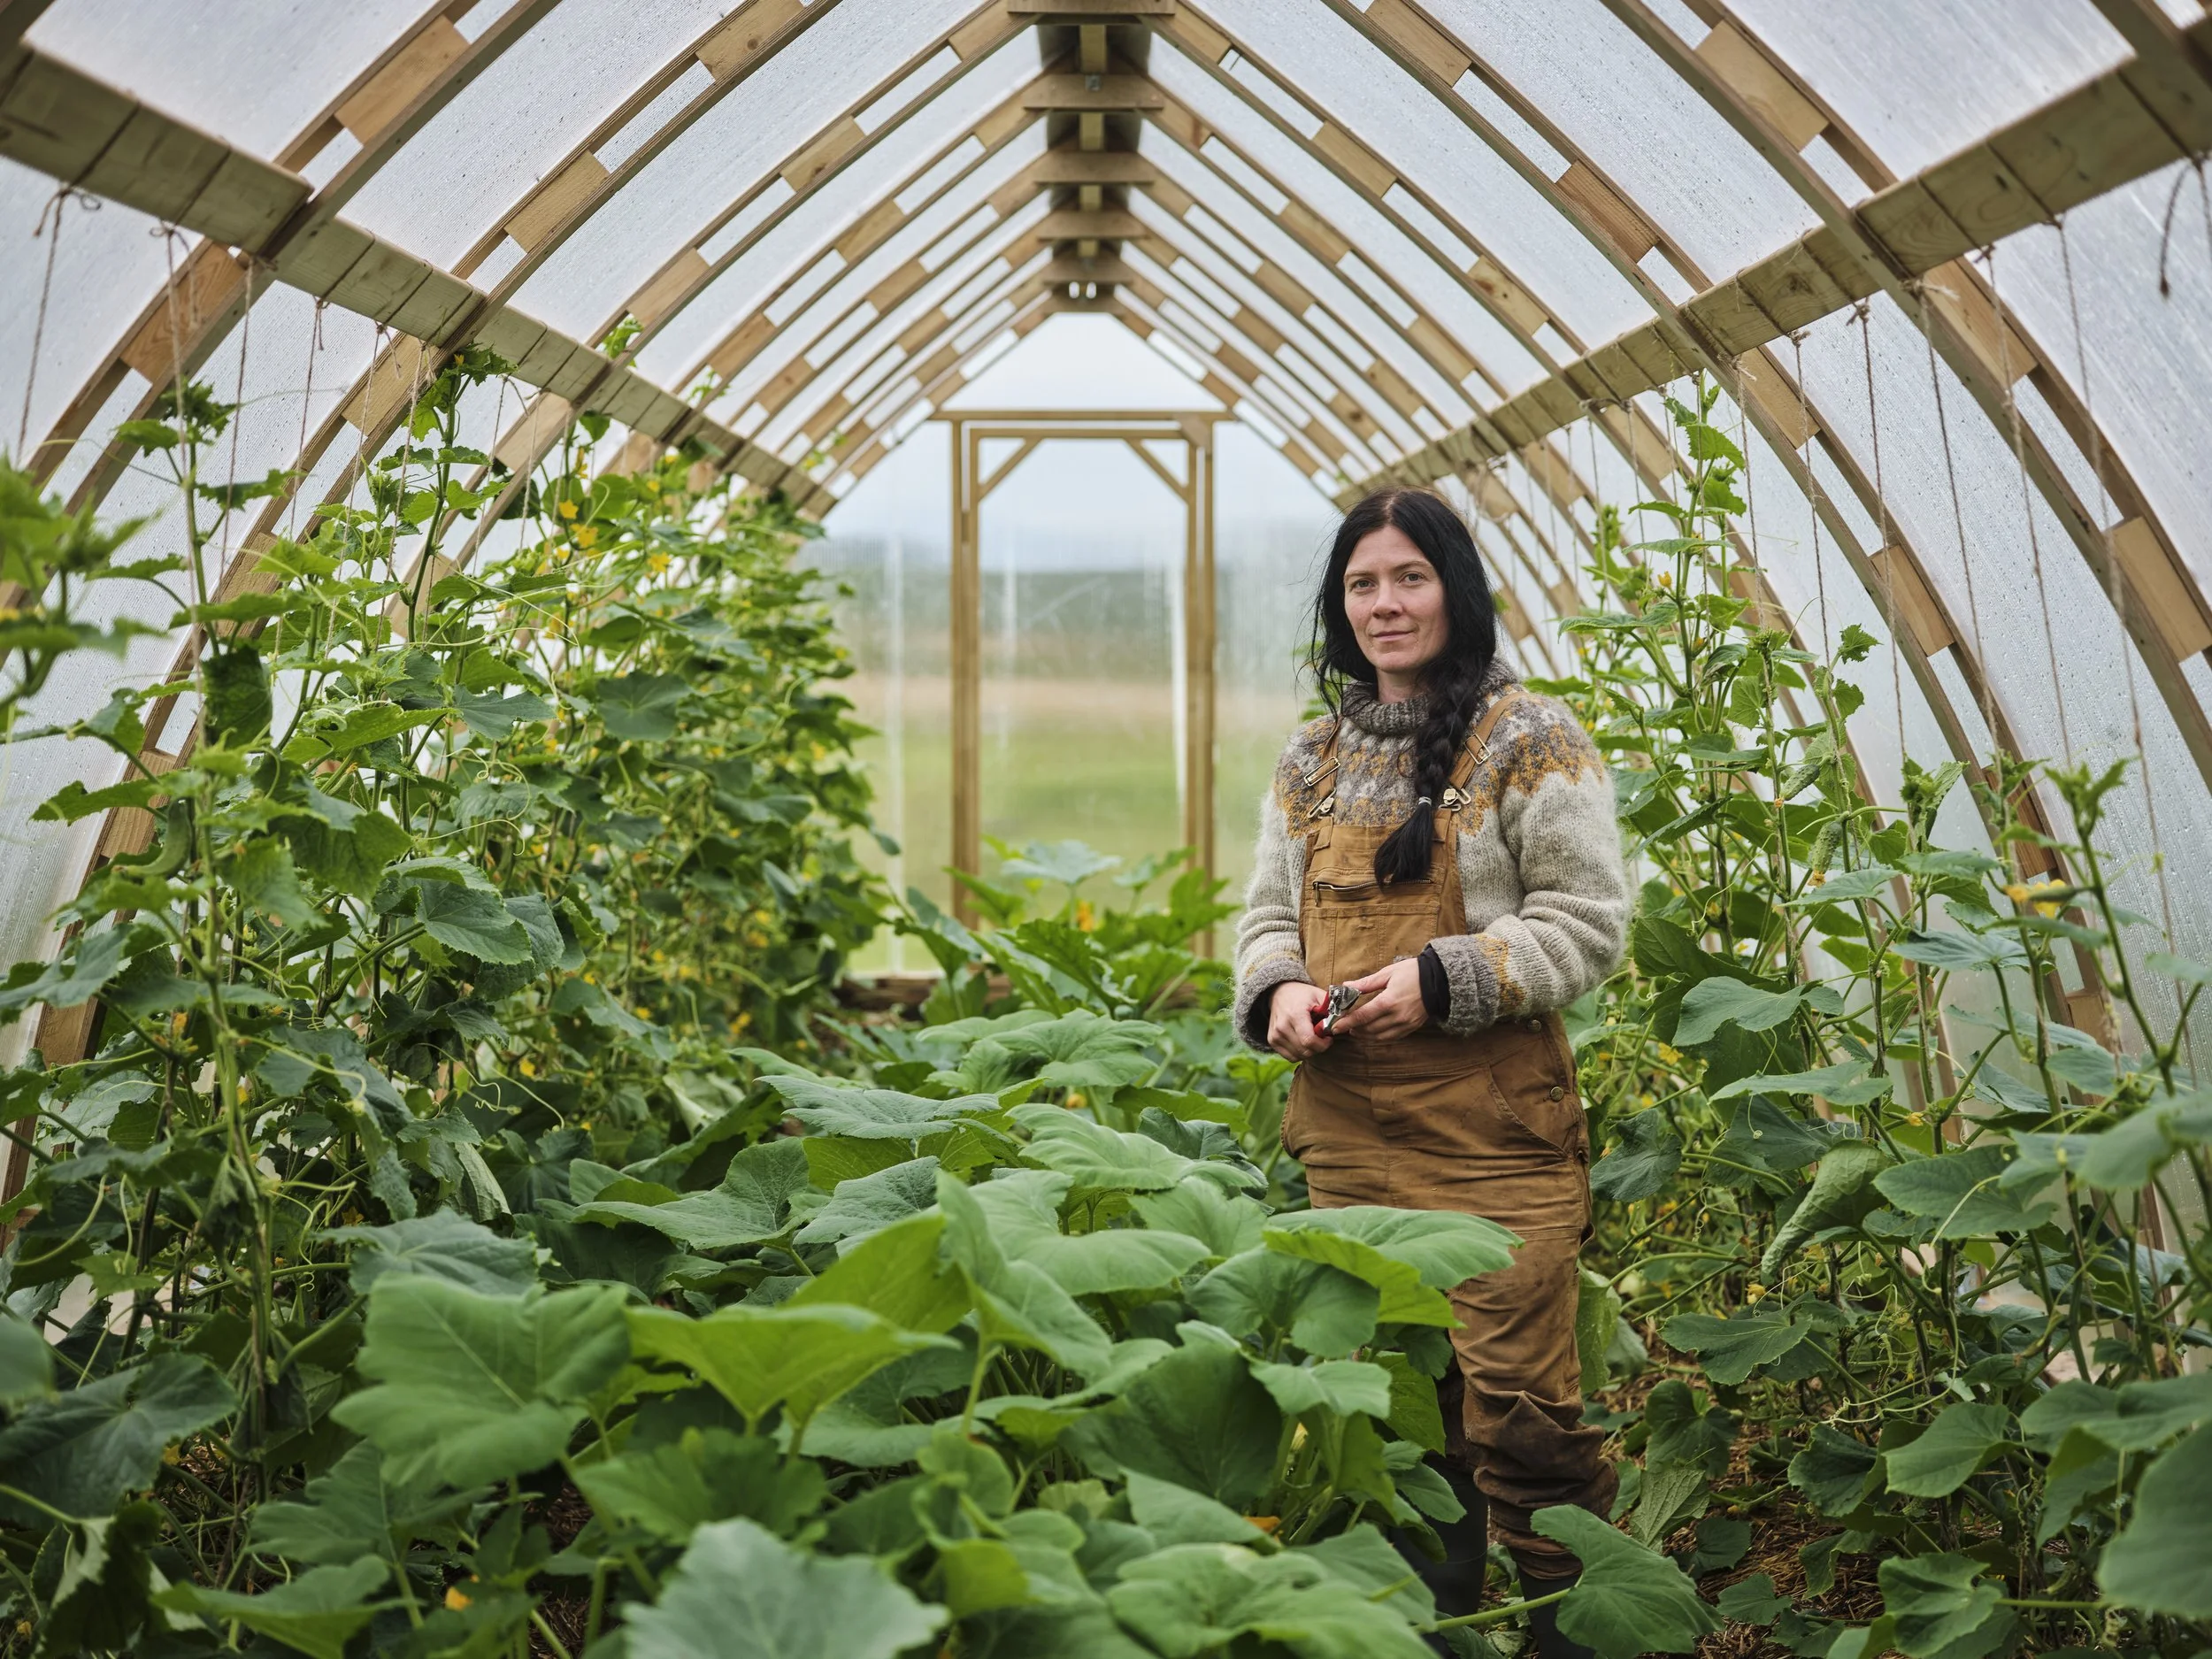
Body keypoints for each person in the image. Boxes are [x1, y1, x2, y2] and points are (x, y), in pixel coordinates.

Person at [1233, 486, 1629, 1655]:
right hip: (1347, 1134)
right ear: (1338, 605)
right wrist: (1283, 995)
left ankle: (1567, 1632)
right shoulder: (1312, 759)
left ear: (1455, 590)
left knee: (1524, 1419)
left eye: (1409, 576)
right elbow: (1265, 920)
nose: (1386, 602)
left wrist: (1447, 977)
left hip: (1492, 1134)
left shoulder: (1531, 739)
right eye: (1363, 582)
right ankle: (1431, 1635)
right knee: (1397, 1413)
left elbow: (1588, 920)